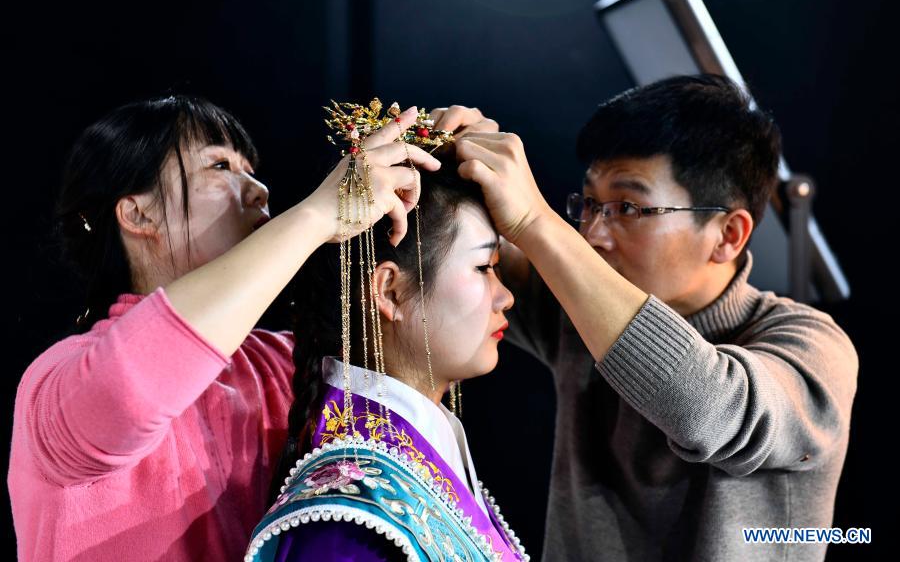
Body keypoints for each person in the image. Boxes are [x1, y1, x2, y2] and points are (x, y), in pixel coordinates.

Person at [434, 75, 859, 561]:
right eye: (590, 203)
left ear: (728, 235)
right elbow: (467, 256)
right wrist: (456, 160)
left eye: (628, 207)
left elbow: (710, 411)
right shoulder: (576, 311)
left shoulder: (811, 346)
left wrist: (536, 222)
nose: (594, 234)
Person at [8, 95, 441, 561]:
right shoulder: (55, 381)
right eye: (220, 166)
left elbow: (443, 339)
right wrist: (316, 216)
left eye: (250, 169)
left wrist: (465, 171)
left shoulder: (289, 361)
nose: (259, 190)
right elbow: (129, 391)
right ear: (138, 214)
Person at [245, 160, 527, 561]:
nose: (505, 297)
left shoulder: (412, 457)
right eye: (484, 268)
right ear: (390, 291)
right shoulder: (349, 514)